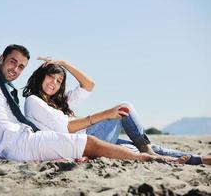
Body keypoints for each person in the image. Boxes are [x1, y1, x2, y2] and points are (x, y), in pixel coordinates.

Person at [0, 44, 167, 163]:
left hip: (24, 139)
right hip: (21, 144)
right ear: (1, 59)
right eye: (12, 62)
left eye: (20, 67)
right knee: (91, 141)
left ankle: (177, 158)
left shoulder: (7, 94)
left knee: (116, 144)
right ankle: (146, 156)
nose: (15, 69)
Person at [23, 57, 211, 165]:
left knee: (139, 148)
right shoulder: (33, 101)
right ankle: (147, 148)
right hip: (84, 141)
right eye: (51, 77)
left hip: (90, 137)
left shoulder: (60, 101)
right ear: (41, 76)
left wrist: (63, 63)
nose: (54, 83)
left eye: (58, 81)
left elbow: (88, 85)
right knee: (124, 108)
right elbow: (67, 127)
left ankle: (199, 160)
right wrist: (106, 115)